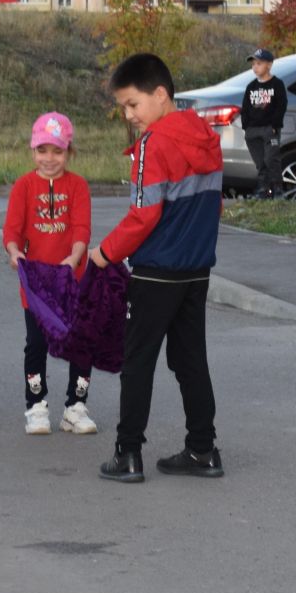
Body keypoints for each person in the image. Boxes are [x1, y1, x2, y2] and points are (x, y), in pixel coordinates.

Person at [90, 53, 225, 484]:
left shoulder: (154, 143)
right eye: (125, 108)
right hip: (196, 269)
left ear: (161, 94)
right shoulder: (205, 133)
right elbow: (212, 205)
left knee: (138, 361)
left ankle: (127, 453)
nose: (129, 116)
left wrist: (103, 254)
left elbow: (143, 216)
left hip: (155, 271)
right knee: (190, 361)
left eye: (133, 104)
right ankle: (203, 450)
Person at [3, 111, 97, 436]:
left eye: (57, 151)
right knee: (36, 344)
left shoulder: (78, 187)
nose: (49, 158)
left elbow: (81, 229)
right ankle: (36, 405)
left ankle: (76, 406)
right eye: (42, 150)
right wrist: (15, 253)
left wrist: (73, 259)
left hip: (72, 281)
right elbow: (12, 231)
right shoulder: (24, 186)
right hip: (37, 285)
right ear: (33, 152)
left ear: (69, 152)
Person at [241, 48, 288, 199]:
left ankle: (278, 189)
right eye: (253, 64)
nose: (255, 67)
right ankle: (263, 189)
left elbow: (281, 105)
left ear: (269, 65)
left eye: (259, 63)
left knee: (271, 159)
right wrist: (246, 127)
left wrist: (274, 125)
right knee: (260, 162)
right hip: (253, 130)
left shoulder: (277, 84)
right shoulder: (251, 87)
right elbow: (246, 107)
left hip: (270, 129)